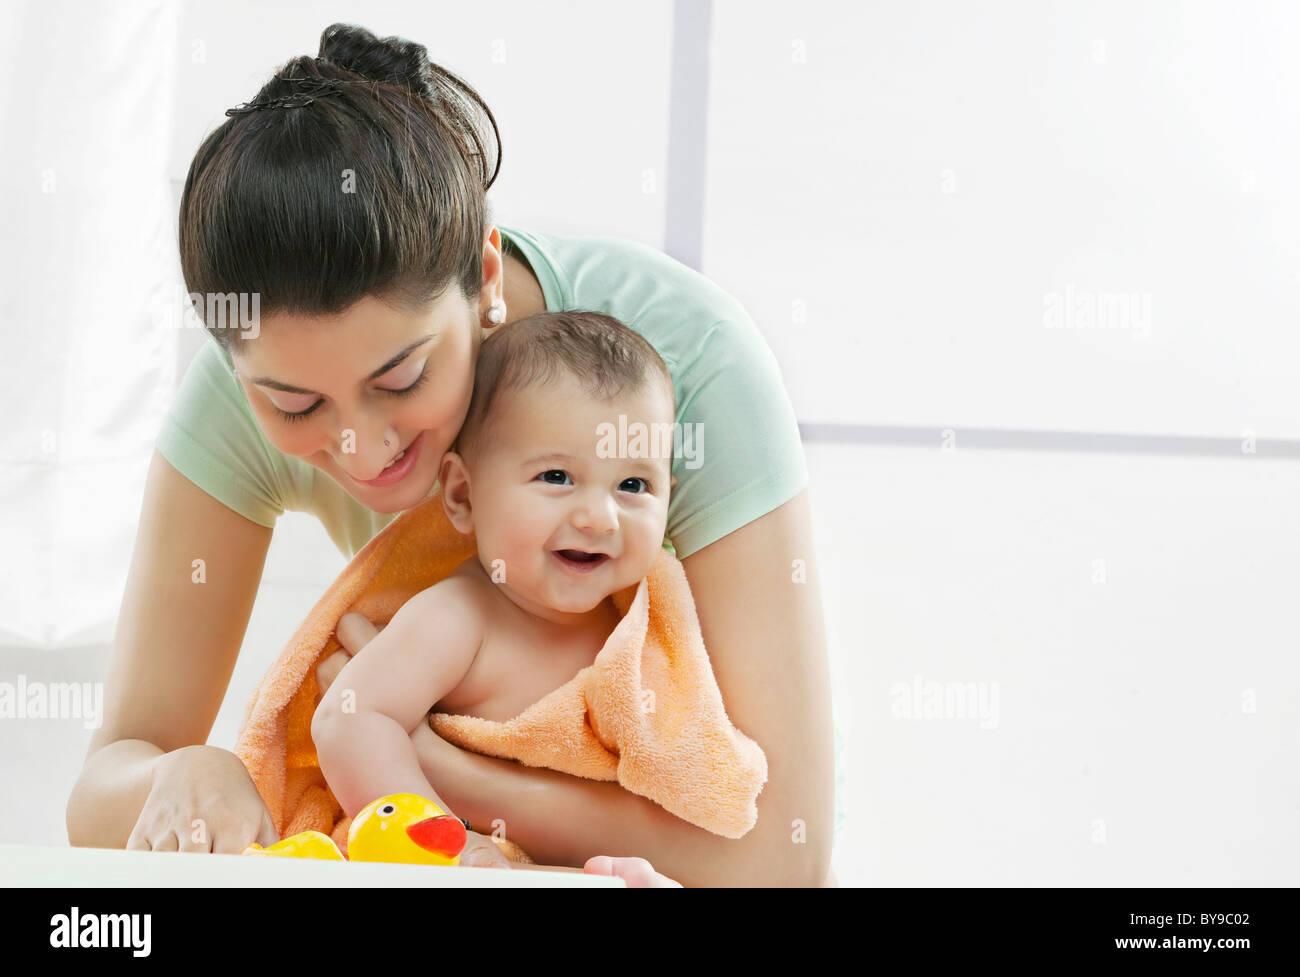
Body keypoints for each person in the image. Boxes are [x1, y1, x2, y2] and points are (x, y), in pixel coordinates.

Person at [66, 23, 836, 887]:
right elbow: (102, 784)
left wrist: (437, 767)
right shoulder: (244, 380)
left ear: (485, 274)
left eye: (401, 377)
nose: (360, 444)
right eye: (296, 404)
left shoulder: (682, 370)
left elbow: (785, 853)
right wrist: (184, 771)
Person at [315, 310, 690, 872]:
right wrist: (449, 848)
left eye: (633, 485)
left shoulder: (644, 630)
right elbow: (350, 719)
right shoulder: (462, 617)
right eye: (556, 477)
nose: (599, 516)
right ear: (463, 496)